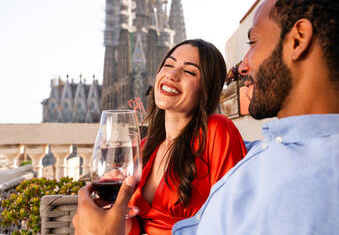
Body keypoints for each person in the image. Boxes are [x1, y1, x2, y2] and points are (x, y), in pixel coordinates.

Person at [172, 0, 339, 234]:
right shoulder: (284, 150)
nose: (243, 66)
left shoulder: (324, 194)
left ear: (298, 39)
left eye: (253, 43)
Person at [72, 39, 247, 235]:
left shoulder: (216, 130)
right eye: (168, 65)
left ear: (206, 88)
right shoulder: (146, 147)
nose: (172, 74)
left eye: (189, 71)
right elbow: (135, 227)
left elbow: (236, 218)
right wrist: (115, 210)